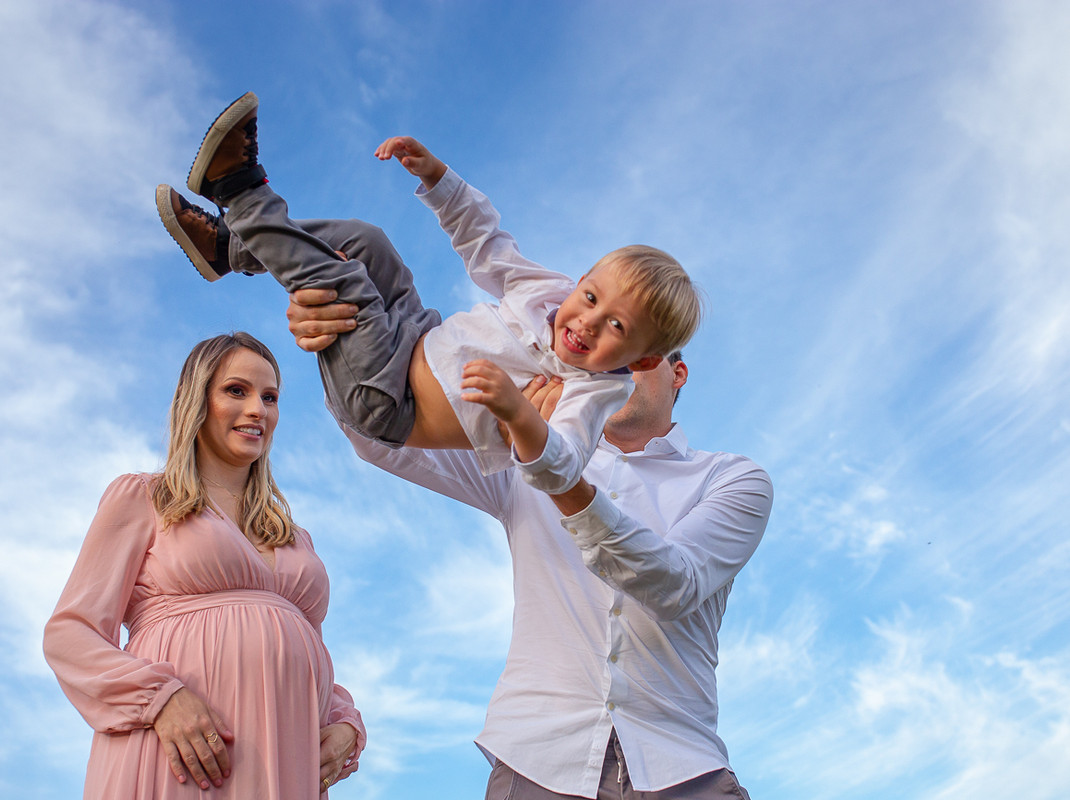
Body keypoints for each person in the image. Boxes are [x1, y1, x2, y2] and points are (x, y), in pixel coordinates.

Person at [288, 293, 773, 799]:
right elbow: (381, 437)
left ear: (677, 373)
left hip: (683, 767)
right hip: (538, 760)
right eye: (608, 350)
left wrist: (546, 459)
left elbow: (673, 582)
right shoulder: (523, 450)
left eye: (641, 349)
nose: (620, 361)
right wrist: (337, 343)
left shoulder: (732, 478)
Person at [155, 91, 702, 497]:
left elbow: (560, 466)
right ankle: (231, 250)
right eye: (591, 299)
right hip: (417, 331)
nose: (587, 323)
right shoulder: (546, 294)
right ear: (581, 280)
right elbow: (486, 243)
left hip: (388, 399)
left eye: (617, 329)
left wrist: (521, 417)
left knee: (347, 285)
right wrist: (440, 180)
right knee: (369, 242)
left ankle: (242, 192)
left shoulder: (591, 394)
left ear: (644, 360)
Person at [43, 332, 366, 799]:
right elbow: (70, 633)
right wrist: (160, 698)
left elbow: (303, 654)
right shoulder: (146, 498)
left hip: (283, 762)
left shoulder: (295, 538)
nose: (258, 409)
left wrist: (344, 724)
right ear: (197, 400)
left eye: (270, 397)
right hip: (176, 758)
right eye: (237, 391)